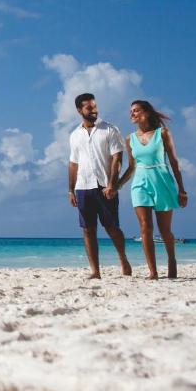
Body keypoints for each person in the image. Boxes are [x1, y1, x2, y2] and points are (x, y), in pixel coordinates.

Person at [116, 100, 188, 279]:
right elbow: (131, 167)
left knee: (165, 230)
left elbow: (174, 162)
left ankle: (171, 260)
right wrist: (116, 186)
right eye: (131, 111)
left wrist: (182, 190)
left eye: (136, 110)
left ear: (146, 113)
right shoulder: (129, 139)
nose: (132, 114)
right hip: (140, 183)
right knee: (145, 227)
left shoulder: (162, 133)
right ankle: (153, 271)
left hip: (162, 182)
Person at [68, 93, 132, 279]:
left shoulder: (110, 130)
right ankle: (95, 271)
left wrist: (112, 184)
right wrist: (70, 189)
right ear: (80, 110)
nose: (94, 110)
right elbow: (73, 163)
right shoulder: (74, 135)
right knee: (88, 229)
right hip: (83, 186)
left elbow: (117, 159)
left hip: (105, 186)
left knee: (112, 227)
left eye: (95, 106)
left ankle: (123, 258)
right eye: (89, 108)